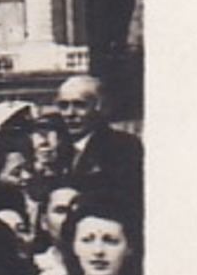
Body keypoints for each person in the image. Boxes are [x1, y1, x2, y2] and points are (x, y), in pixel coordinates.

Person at [56, 74, 143, 205]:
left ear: (101, 107)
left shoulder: (122, 147)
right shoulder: (59, 147)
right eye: (63, 106)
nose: (70, 113)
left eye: (79, 105)